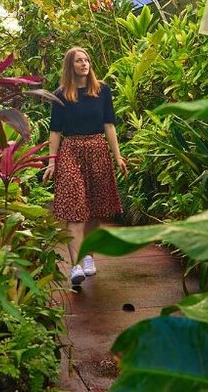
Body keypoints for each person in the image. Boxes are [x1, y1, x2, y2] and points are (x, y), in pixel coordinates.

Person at [43, 47, 127, 287]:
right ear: (71, 66)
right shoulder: (61, 94)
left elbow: (109, 125)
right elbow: (55, 131)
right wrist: (52, 161)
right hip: (71, 150)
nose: (84, 63)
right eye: (79, 61)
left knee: (94, 208)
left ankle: (89, 257)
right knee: (74, 207)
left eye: (86, 60)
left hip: (98, 149)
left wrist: (118, 156)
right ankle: (76, 266)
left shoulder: (102, 91)